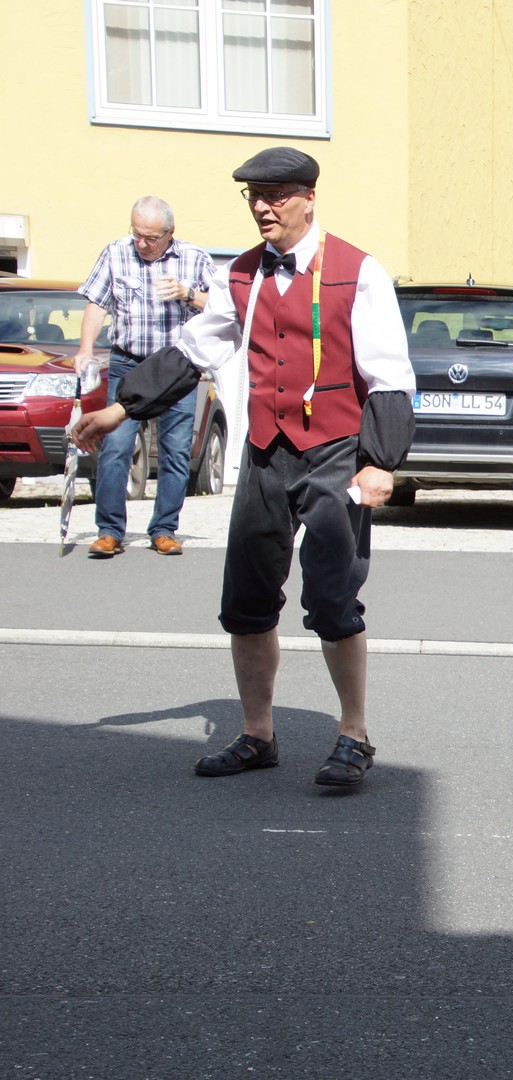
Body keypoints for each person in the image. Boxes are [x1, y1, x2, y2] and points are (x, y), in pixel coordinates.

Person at [71, 147, 416, 789]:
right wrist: (120, 408)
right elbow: (194, 350)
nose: (262, 207)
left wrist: (380, 463)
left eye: (276, 195)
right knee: (247, 600)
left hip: (335, 451)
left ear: (309, 198)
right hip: (265, 451)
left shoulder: (357, 271)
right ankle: (258, 734)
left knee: (333, 597)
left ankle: (354, 734)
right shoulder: (242, 274)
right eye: (254, 196)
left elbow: (389, 374)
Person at [74, 196, 215, 557]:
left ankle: (164, 529)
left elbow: (219, 307)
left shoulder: (194, 258)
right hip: (128, 363)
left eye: (151, 238)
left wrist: (186, 293)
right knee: (116, 447)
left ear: (169, 233)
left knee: (176, 451)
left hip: (176, 369)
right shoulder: (116, 252)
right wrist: (86, 349)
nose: (142, 243)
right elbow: (96, 303)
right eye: (137, 234)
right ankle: (109, 531)